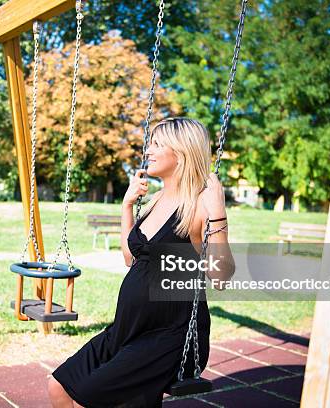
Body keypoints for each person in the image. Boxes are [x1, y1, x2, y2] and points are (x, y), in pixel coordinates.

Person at [48, 117, 235, 407]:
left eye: (158, 144)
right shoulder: (156, 199)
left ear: (182, 152)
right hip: (127, 328)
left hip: (169, 335)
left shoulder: (199, 204)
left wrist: (219, 213)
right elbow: (130, 258)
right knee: (58, 385)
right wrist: (126, 205)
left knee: (90, 397)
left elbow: (221, 278)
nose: (148, 149)